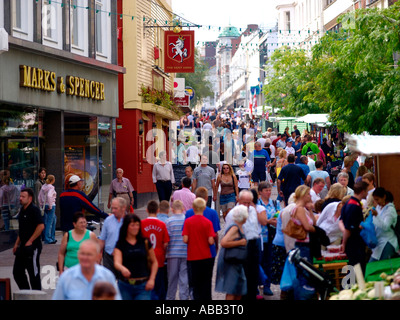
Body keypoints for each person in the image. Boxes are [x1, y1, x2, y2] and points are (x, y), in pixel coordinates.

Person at [53, 239, 121, 300]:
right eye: (82, 254)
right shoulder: (66, 277)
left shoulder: (107, 276)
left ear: (98, 256)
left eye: (89, 254)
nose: (85, 258)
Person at [225, 190, 262, 300]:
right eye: (244, 202)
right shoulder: (233, 213)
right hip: (240, 246)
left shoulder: (253, 210)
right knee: (240, 280)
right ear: (238, 200)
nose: (246, 205)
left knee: (253, 277)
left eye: (249, 202)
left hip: (253, 245)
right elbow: (228, 233)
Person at [113, 214, 158, 300]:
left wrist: (152, 279)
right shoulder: (121, 244)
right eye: (132, 225)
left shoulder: (145, 242)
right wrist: (123, 269)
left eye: (137, 225)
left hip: (143, 285)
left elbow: (154, 262)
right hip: (125, 285)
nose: (135, 227)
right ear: (126, 227)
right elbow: (117, 262)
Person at [183, 198, 216, 300]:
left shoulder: (188, 222)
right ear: (204, 208)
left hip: (193, 257)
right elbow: (211, 241)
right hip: (206, 256)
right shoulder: (208, 222)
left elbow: (185, 239)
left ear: (193, 208)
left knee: (195, 284)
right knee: (206, 282)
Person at [12, 188, 44, 290]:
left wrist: (30, 241)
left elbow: (41, 226)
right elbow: (21, 230)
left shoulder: (34, 209)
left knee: (33, 274)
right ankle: (25, 292)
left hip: (33, 247)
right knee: (17, 272)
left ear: (30, 198)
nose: (20, 198)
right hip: (22, 246)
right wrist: (16, 244)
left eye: (23, 197)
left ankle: (37, 295)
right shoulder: (22, 210)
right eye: (20, 196)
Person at [290, 185, 317, 300]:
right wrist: (318, 231)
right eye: (308, 194)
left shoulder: (303, 208)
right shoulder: (299, 209)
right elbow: (308, 226)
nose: (310, 196)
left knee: (306, 273)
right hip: (303, 245)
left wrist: (310, 209)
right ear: (302, 195)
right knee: (304, 275)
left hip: (306, 244)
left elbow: (314, 222)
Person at [215, 205, 248, 300]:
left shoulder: (239, 226)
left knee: (239, 289)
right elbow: (224, 242)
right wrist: (240, 242)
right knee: (232, 289)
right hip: (231, 261)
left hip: (237, 261)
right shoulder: (235, 228)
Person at [141, 200, 170, 300]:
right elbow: (166, 243)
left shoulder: (142, 223)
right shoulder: (162, 224)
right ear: (158, 211)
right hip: (159, 259)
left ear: (146, 210)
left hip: (145, 259)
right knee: (159, 285)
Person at [339, 181, 369, 274]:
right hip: (354, 243)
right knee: (357, 268)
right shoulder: (354, 206)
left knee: (352, 267)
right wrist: (344, 243)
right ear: (363, 191)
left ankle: (352, 285)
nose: (368, 193)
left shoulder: (348, 203)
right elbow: (348, 228)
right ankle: (355, 287)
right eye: (367, 191)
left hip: (352, 243)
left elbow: (341, 221)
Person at [257, 182, 280, 296]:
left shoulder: (275, 203)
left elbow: (279, 218)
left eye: (270, 190)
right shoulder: (256, 204)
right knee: (258, 261)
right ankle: (256, 284)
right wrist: (268, 221)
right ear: (260, 192)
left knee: (269, 261)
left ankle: (267, 285)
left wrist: (274, 221)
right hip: (259, 237)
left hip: (271, 236)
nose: (269, 192)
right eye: (266, 190)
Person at [165, 200, 189, 300]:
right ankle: (184, 297)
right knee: (184, 279)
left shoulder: (169, 221)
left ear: (172, 209)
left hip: (172, 254)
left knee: (172, 279)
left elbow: (167, 239)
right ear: (183, 209)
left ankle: (170, 298)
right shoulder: (187, 220)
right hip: (185, 253)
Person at [98, 197, 127, 276]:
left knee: (123, 283)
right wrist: (98, 254)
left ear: (123, 208)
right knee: (108, 284)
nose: (113, 211)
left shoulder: (130, 221)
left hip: (124, 258)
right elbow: (102, 239)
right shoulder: (108, 220)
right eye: (112, 208)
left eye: (115, 208)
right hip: (108, 256)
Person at [369, 188, 399, 261]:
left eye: (377, 199)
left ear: (384, 197)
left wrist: (376, 216)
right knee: (371, 265)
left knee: (383, 267)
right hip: (379, 241)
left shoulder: (390, 210)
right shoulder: (379, 207)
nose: (376, 202)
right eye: (375, 200)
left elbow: (386, 227)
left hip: (388, 242)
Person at [38, 174, 57, 244]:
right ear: (53, 180)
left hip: (44, 205)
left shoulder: (43, 187)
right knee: (50, 222)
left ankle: (51, 237)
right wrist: (50, 205)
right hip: (51, 205)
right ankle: (48, 238)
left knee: (53, 220)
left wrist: (41, 205)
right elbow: (49, 196)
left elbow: (39, 197)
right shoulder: (51, 187)